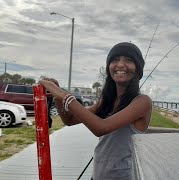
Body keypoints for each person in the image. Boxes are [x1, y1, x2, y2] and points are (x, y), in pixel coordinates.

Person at [39, 42, 152, 180]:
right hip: (98, 175)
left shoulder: (142, 102)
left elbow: (100, 128)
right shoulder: (106, 101)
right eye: (115, 60)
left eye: (129, 60)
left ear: (138, 69)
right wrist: (57, 97)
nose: (120, 65)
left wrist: (65, 95)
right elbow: (70, 120)